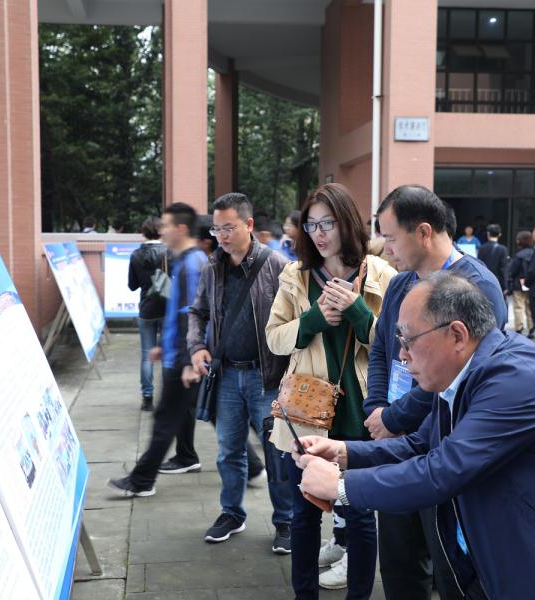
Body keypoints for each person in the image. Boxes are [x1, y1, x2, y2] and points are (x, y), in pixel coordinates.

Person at [294, 272, 535, 600]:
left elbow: (442, 470)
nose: (403, 356)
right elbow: (422, 444)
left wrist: (341, 487)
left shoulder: (515, 377)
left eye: (408, 340)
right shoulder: (464, 374)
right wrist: (343, 452)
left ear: (457, 334)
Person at [362, 185, 507, 600]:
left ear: (423, 232)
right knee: (399, 560)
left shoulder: (475, 286)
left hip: (441, 445)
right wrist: (377, 409)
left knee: (448, 562)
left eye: (391, 238)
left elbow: (456, 377)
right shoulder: (400, 284)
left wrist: (394, 418)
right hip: (394, 436)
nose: (386, 249)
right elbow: (382, 350)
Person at [266, 182, 396, 598]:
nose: (319, 234)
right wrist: (313, 320)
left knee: (360, 515)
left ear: (347, 223)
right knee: (304, 513)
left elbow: (399, 346)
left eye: (328, 223)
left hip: (360, 412)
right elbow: (274, 338)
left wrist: (358, 312)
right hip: (307, 412)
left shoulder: (382, 275)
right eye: (312, 225)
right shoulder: (296, 275)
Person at [187, 193, 294, 553]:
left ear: (249, 225)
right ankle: (232, 513)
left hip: (268, 378)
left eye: (228, 228)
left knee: (278, 454)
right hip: (227, 376)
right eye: (216, 229)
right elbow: (197, 312)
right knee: (228, 451)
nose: (221, 236)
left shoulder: (277, 265)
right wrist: (196, 347)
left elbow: (296, 318)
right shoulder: (211, 267)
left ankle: (286, 521)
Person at [107, 203, 206, 497]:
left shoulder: (192, 264)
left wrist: (187, 360)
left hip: (184, 359)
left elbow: (193, 314)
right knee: (204, 413)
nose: (161, 231)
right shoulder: (184, 260)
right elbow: (178, 312)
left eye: (166, 225)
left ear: (181, 229)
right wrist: (164, 346)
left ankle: (142, 481)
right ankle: (250, 465)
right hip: (178, 354)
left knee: (165, 421)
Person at [128, 216, 168, 412]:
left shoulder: (136, 255)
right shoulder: (168, 252)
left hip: (146, 309)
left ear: (143, 232)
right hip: (167, 308)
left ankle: (147, 398)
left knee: (146, 355)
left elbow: (132, 285)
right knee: (169, 354)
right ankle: (169, 396)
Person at [507, 231, 534, 337]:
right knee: (529, 307)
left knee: (519, 307)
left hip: (518, 284)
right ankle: (531, 328)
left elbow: (512, 271)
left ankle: (519, 328)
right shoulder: (534, 253)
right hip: (531, 284)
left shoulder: (519, 255)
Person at [476, 223, 508, 292]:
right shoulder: (503, 249)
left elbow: (479, 266)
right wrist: (505, 286)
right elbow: (503, 269)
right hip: (497, 282)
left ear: (488, 233)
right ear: (499, 234)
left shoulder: (482, 248)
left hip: (484, 281)